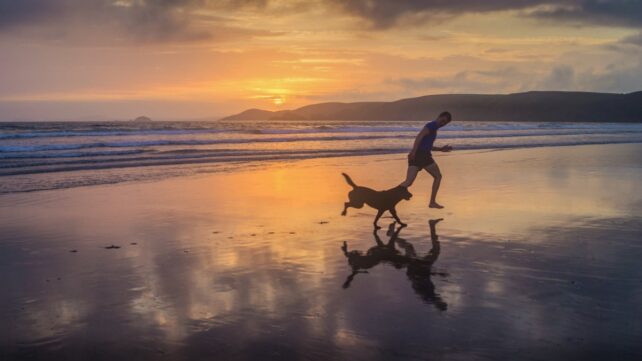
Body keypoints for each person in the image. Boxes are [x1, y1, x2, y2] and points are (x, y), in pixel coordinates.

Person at [399, 111, 453, 208]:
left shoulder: (434, 127)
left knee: (408, 182)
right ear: (439, 116)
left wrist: (440, 149)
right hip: (422, 155)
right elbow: (419, 137)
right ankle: (432, 202)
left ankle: (387, 196)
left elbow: (427, 146)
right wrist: (413, 151)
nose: (442, 123)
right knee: (438, 176)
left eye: (445, 123)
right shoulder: (432, 125)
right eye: (442, 120)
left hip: (418, 155)